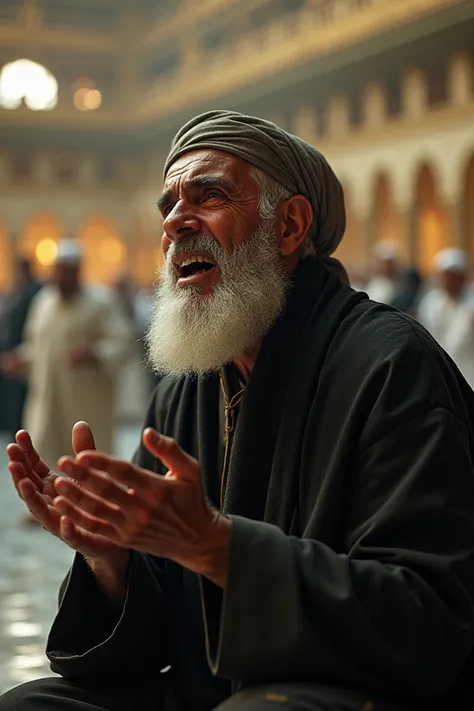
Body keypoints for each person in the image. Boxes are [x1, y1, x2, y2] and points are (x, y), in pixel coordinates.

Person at [2, 111, 474, 711]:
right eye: (168, 205)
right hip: (215, 691)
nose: (174, 222)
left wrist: (217, 548)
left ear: (290, 226)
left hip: (353, 690)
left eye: (209, 195)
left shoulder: (387, 365)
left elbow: (427, 620)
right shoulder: (186, 387)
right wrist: (108, 555)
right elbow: (164, 621)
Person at [1, 238, 132, 470]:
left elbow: (121, 341)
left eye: (68, 270)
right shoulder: (43, 303)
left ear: (78, 270)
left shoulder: (101, 303)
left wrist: (93, 354)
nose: (62, 276)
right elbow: (36, 347)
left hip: (85, 402)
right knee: (44, 460)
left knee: (87, 461)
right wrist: (20, 360)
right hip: (47, 403)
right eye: (59, 270)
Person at [418, 248, 474, 389]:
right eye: (445, 276)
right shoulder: (430, 302)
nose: (448, 281)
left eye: (453, 276)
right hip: (443, 379)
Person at [0, 257, 42, 439]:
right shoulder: (19, 290)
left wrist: (20, 355)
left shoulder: (35, 291)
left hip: (24, 356)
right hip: (13, 356)